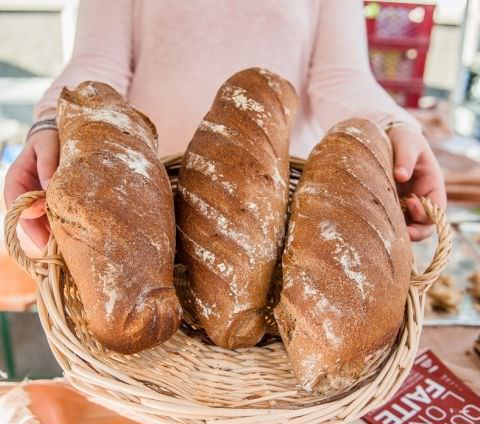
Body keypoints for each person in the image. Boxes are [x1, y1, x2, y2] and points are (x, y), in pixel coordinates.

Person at [4, 0, 446, 249]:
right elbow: (98, 66)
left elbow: (337, 77)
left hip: (276, 208)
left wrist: (393, 125)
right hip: (147, 203)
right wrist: (48, 123)